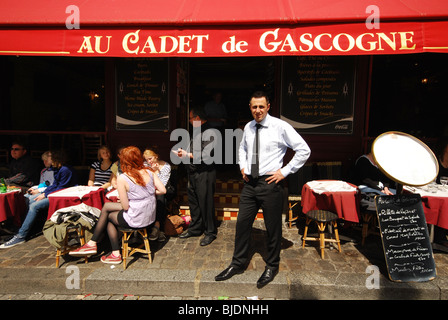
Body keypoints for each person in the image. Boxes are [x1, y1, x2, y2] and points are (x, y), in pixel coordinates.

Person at [215, 91, 311, 288]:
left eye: (261, 106)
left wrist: (284, 172)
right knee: (242, 224)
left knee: (272, 227)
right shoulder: (249, 127)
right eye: (254, 107)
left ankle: (272, 265)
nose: (257, 110)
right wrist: (242, 166)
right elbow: (242, 148)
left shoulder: (280, 126)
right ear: (250, 108)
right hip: (250, 184)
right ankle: (238, 263)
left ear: (268, 106)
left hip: (270, 183)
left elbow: (304, 149)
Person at [69, 146, 166, 264]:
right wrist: (146, 194)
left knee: (108, 218)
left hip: (136, 217)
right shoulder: (149, 171)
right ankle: (92, 243)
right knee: (107, 207)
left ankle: (113, 252)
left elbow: (125, 207)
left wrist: (130, 198)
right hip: (149, 216)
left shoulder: (123, 178)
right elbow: (163, 190)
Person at [0, 150, 77, 248]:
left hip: (62, 196)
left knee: (34, 206)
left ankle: (21, 235)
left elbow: (61, 188)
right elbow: (54, 185)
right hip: (54, 193)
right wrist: (44, 192)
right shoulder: (57, 169)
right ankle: (19, 229)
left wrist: (44, 195)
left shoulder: (65, 170)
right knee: (27, 199)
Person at [173, 106, 217, 246]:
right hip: (192, 172)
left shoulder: (210, 132)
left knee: (206, 203)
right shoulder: (196, 131)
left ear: (198, 118)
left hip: (205, 173)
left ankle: (210, 232)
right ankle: (195, 228)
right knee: (194, 202)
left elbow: (205, 155)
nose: (190, 121)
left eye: (191, 118)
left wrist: (186, 155)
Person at [143, 147, 171, 241]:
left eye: (150, 158)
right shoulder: (145, 165)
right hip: (147, 190)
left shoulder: (166, 166)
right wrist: (152, 171)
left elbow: (162, 185)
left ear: (156, 157)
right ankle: (156, 228)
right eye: (146, 159)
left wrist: (154, 172)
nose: (148, 161)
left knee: (160, 198)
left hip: (160, 191)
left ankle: (157, 226)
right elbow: (143, 182)